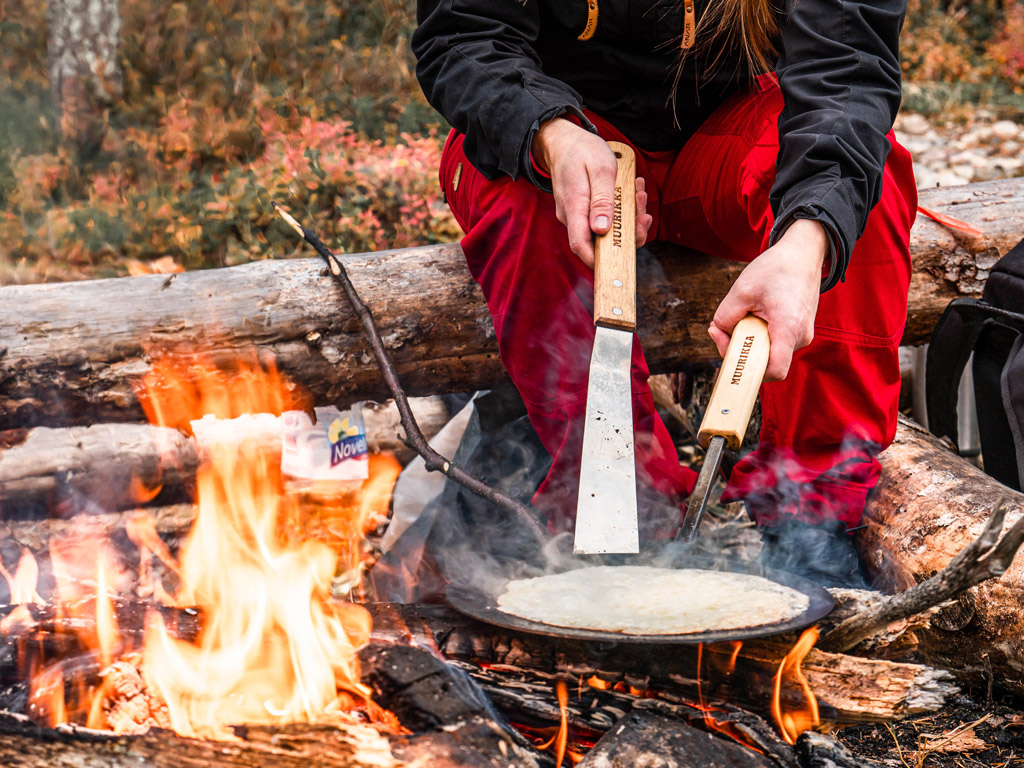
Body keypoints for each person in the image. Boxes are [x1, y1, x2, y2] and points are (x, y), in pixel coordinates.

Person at [411, 0, 917, 585]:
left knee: (858, 197)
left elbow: (848, 71)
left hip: (730, 141)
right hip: (561, 137)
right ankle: (623, 514)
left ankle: (816, 522)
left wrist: (808, 240)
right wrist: (550, 133)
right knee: (525, 205)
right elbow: (462, 35)